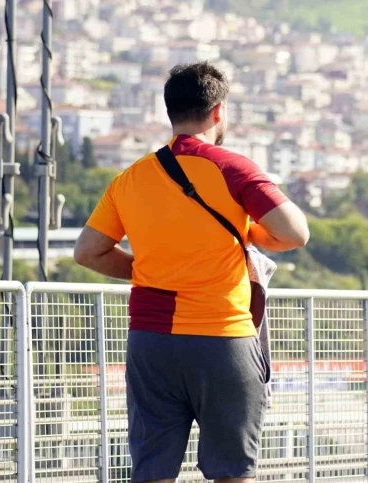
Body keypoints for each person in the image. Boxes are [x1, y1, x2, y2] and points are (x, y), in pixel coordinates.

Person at [74, 61, 310, 483]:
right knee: (232, 472)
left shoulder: (130, 178)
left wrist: (149, 270)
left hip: (151, 341)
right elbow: (295, 232)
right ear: (219, 111)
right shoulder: (233, 167)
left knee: (153, 471)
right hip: (222, 338)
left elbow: (88, 252)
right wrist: (249, 233)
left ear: (171, 112)